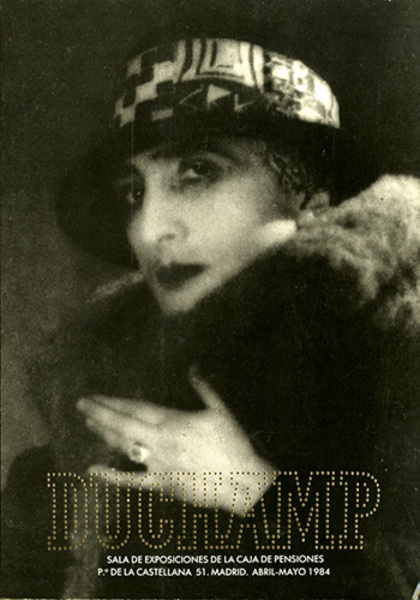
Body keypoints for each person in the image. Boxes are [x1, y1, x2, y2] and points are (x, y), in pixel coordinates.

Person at [2, 36, 419, 600]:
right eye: (133, 191)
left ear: (310, 204)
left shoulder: (397, 385)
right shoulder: (75, 440)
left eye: (198, 171)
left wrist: (251, 490)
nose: (150, 229)